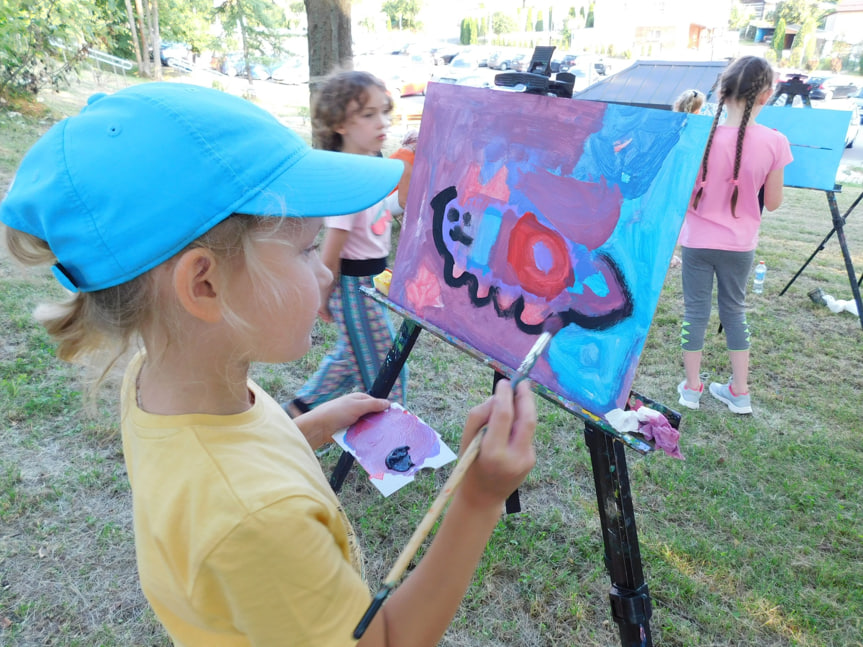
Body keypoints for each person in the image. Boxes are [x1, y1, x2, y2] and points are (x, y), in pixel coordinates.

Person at [1, 82, 537, 646]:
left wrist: (307, 431)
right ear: (205, 285)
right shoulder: (260, 523)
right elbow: (386, 640)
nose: (327, 272)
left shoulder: (157, 382)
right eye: (307, 250)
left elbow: (225, 465)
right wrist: (479, 497)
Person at [288, 70, 412, 418]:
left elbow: (390, 209)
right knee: (387, 372)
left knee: (350, 358)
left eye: (384, 112)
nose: (382, 122)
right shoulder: (346, 177)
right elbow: (334, 242)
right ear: (341, 124)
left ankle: (296, 412)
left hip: (370, 284)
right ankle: (387, 439)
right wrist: (322, 293)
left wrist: (410, 162)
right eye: (369, 114)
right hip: (355, 289)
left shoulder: (368, 167)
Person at [676, 56, 792, 414]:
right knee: (734, 312)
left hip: (696, 242)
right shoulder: (775, 142)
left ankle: (691, 389)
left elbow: (681, 193)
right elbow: (773, 203)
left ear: (722, 93)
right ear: (766, 95)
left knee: (694, 313)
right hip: (740, 245)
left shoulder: (697, 136)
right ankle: (739, 391)